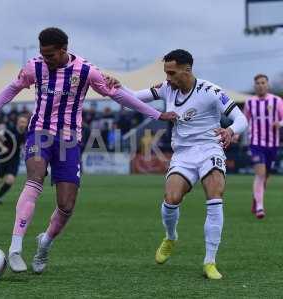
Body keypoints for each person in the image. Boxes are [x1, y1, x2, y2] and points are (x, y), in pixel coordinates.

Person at [0, 27, 178, 274]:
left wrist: (157, 113)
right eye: (42, 54)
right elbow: (9, 90)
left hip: (69, 140)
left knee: (66, 205)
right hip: (40, 132)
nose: (46, 59)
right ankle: (15, 248)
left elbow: (119, 96)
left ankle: (44, 243)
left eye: (50, 55)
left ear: (63, 50)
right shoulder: (33, 67)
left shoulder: (86, 71)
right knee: (34, 177)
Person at [108, 49, 248, 279]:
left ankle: (209, 262)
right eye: (166, 73)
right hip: (183, 154)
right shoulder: (166, 88)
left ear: (187, 70)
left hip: (209, 149)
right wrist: (118, 86)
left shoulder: (210, 91)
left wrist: (230, 130)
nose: (168, 78)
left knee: (215, 196)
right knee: (172, 199)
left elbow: (240, 118)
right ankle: (171, 237)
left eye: (172, 73)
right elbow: (134, 97)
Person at [243, 74, 283, 219]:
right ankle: (260, 207)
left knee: (266, 176)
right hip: (255, 143)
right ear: (255, 86)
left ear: (268, 84)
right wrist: (235, 133)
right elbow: (244, 121)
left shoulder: (277, 101)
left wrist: (280, 123)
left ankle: (256, 199)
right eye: (258, 83)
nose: (260, 85)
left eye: (263, 82)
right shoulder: (249, 102)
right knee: (260, 174)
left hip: (272, 144)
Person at [0, 115, 28, 205]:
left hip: (14, 159)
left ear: (27, 124)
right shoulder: (10, 130)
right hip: (3, 158)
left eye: (24, 122)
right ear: (17, 122)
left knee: (10, 180)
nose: (22, 124)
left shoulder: (27, 134)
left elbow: (28, 146)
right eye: (21, 122)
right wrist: (2, 147)